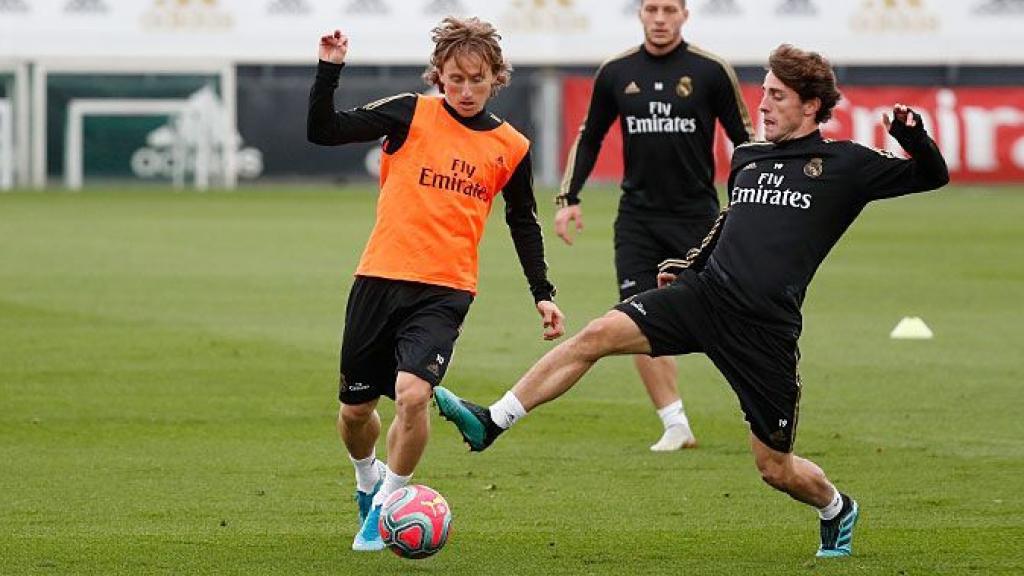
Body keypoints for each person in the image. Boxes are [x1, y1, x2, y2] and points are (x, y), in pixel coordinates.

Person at [436, 43, 949, 557]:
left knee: (775, 468)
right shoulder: (748, 157)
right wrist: (688, 264)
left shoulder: (844, 164)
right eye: (764, 92)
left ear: (811, 105)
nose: (763, 104)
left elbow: (932, 174)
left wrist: (911, 137)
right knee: (595, 336)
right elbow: (730, 223)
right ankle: (492, 420)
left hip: (764, 331)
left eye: (776, 96)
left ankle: (837, 508)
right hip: (703, 298)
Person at [307, 17, 565, 552]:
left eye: (477, 79)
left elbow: (523, 221)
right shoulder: (409, 112)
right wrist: (329, 69)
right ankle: (367, 480)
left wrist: (543, 292)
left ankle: (387, 507)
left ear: (496, 76)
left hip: (445, 289)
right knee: (355, 413)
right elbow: (323, 130)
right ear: (438, 75)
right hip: (379, 278)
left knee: (412, 395)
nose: (465, 90)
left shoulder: (511, 146)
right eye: (454, 79)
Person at [556, 0, 753, 451]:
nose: (660, 18)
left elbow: (745, 139)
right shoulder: (616, 71)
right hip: (638, 221)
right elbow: (590, 136)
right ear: (640, 14)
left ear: (685, 14)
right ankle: (674, 422)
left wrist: (750, 202)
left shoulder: (711, 71)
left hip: (699, 220)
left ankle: (760, 407)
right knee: (635, 315)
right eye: (651, 8)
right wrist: (569, 198)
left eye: (669, 9)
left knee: (724, 319)